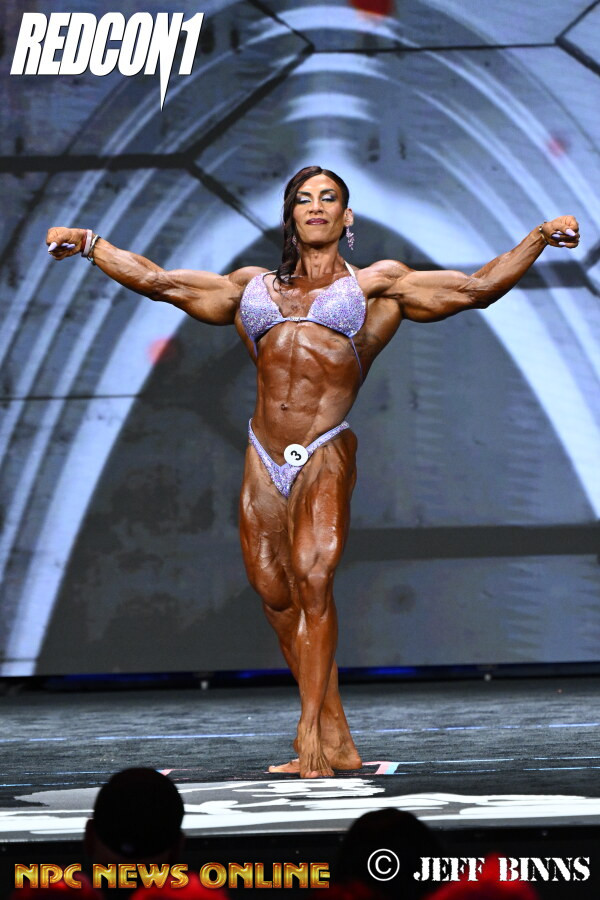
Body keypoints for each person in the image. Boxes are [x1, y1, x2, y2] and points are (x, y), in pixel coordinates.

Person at [46, 165, 580, 778]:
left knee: (313, 580)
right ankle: (337, 738)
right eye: (304, 199)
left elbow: (476, 287)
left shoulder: (377, 285)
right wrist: (90, 244)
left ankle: (308, 734)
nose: (316, 206)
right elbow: (160, 282)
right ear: (291, 214)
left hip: (324, 446)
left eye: (329, 198)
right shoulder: (251, 288)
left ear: (346, 216)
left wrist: (539, 236)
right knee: (277, 597)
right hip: (263, 454)